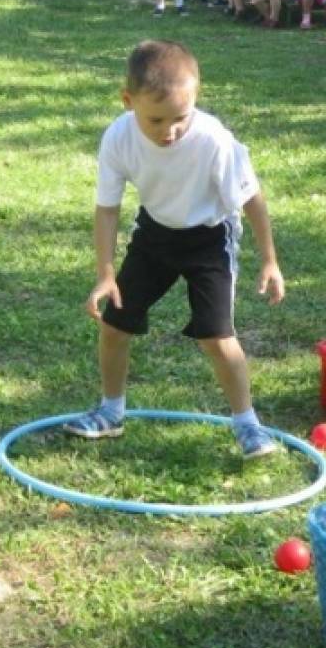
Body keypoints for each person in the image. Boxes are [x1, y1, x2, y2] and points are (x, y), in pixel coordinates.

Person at [64, 40, 286, 459]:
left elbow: (252, 198)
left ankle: (248, 425)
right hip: (154, 234)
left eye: (180, 118)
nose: (169, 131)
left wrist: (270, 260)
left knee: (217, 337)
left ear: (196, 99)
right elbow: (107, 208)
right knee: (115, 325)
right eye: (156, 119)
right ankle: (111, 412)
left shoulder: (214, 141)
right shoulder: (118, 137)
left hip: (209, 238)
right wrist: (106, 272)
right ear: (128, 101)